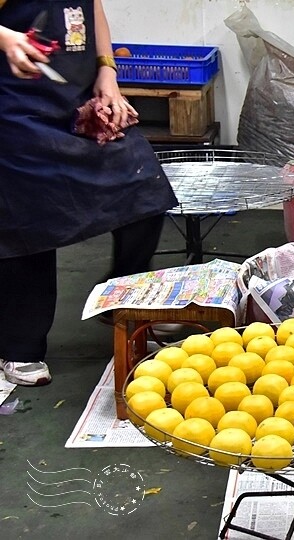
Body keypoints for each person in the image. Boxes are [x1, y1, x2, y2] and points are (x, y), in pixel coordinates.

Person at [0, 0, 177, 386]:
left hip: (77, 99)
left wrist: (107, 73)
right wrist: (6, 37)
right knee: (30, 221)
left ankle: (118, 299)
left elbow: (92, 8)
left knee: (144, 190)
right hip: (14, 107)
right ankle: (20, 345)